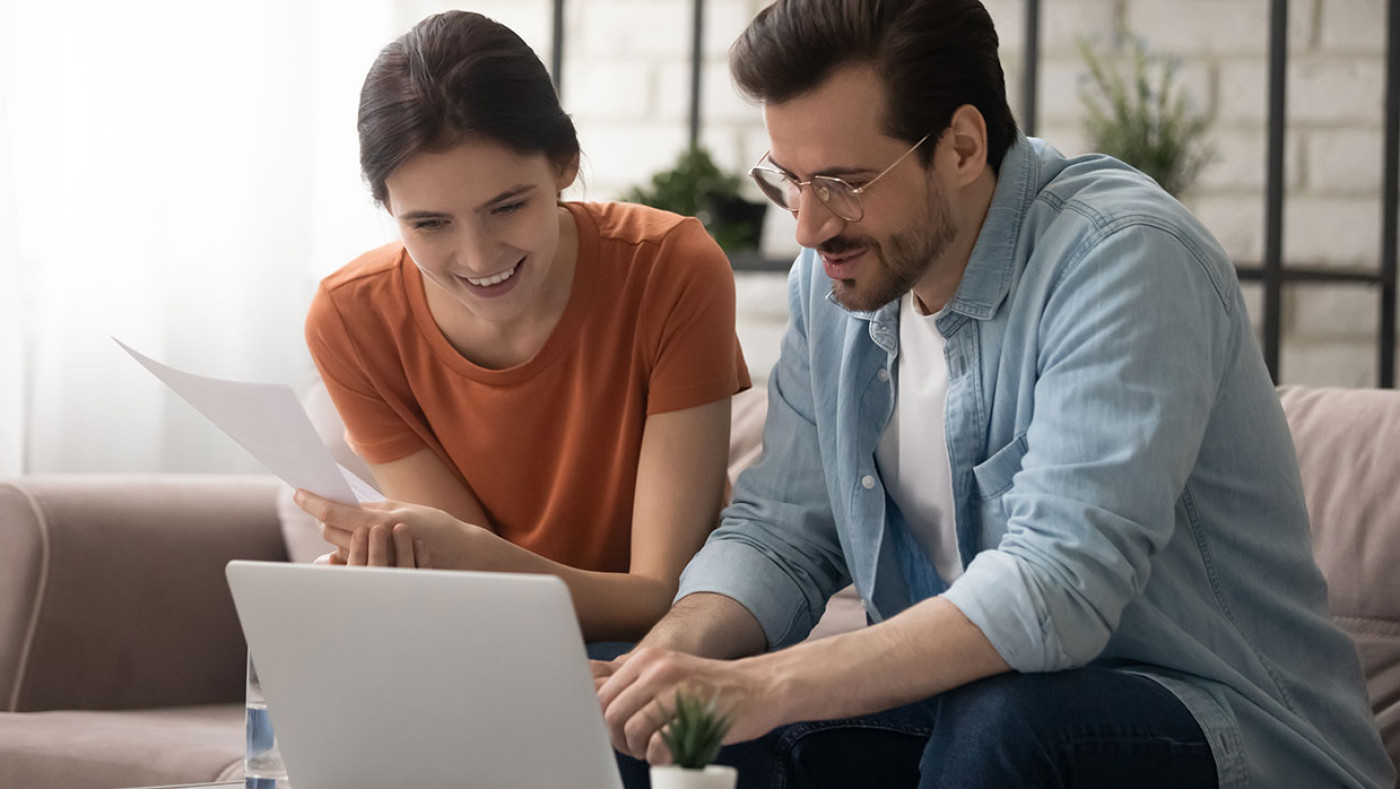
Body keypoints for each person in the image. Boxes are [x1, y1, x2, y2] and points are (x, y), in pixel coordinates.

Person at [593, 1, 1396, 786]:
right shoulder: (833, 283)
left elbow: (1055, 585)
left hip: (1224, 727)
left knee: (1005, 722)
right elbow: (783, 532)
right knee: (662, 723)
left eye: (843, 182)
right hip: (962, 717)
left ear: (964, 146)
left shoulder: (1123, 259)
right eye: (790, 181)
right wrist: (673, 655)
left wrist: (769, 684)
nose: (807, 226)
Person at [292, 10, 751, 645]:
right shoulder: (350, 319)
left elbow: (661, 596)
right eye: (429, 224)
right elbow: (468, 587)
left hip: (658, 654)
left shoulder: (671, 269)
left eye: (507, 207)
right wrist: (406, 567)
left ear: (565, 163)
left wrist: (463, 563)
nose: (479, 259)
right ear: (387, 208)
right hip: (488, 645)